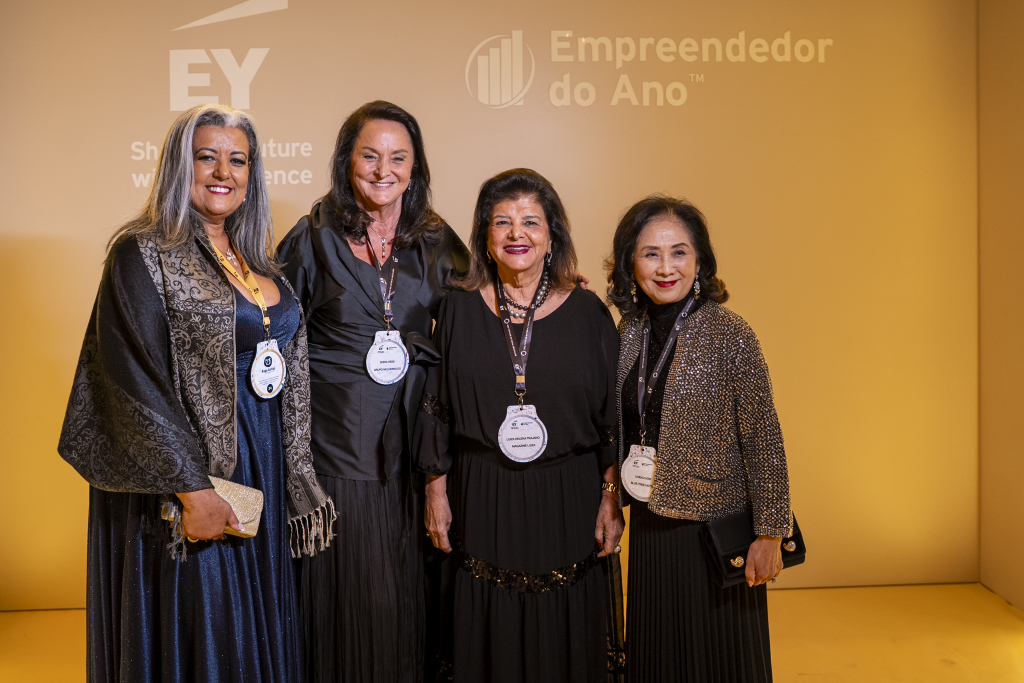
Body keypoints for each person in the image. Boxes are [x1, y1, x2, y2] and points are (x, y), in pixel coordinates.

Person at [57, 103, 336, 683]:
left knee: (253, 630)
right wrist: (191, 490)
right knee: (203, 632)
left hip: (261, 471)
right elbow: (133, 379)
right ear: (178, 167)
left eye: (237, 160)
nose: (222, 172)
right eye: (206, 157)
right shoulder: (143, 253)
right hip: (192, 479)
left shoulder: (258, 261)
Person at [276, 100, 470, 683]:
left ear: (415, 166)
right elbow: (271, 326)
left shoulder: (434, 237)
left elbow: (482, 304)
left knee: (404, 584)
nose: (384, 169)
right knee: (349, 587)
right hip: (334, 440)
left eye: (399, 157)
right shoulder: (313, 234)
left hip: (415, 441)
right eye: (370, 155)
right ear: (346, 160)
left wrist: (552, 286)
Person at [416, 168, 624, 683]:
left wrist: (609, 497)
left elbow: (611, 419)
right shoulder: (458, 308)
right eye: (501, 222)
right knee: (487, 632)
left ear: (552, 235)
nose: (516, 234)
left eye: (530, 221)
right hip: (481, 492)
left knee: (564, 632)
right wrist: (435, 490)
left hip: (567, 496)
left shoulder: (589, 313)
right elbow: (437, 406)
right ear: (484, 236)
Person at [606, 195, 792, 682]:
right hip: (651, 525)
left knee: (722, 664)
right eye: (650, 253)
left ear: (701, 261)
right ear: (630, 263)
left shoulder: (731, 334)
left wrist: (771, 533)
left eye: (679, 252)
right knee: (659, 660)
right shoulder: (629, 331)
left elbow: (764, 441)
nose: (666, 267)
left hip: (717, 534)